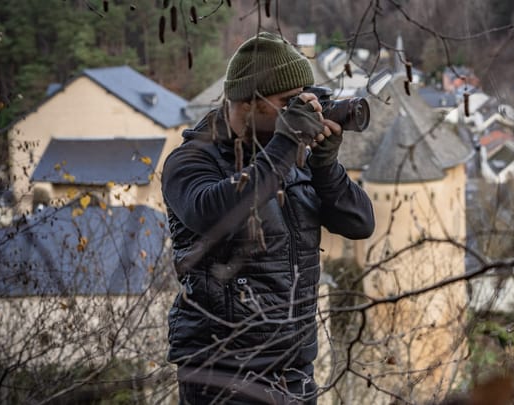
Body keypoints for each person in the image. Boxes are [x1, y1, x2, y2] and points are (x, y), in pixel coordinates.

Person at [161, 32, 375, 404]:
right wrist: (286, 143)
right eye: (290, 102)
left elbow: (360, 223)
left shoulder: (293, 159)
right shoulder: (192, 160)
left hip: (294, 370)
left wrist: (325, 165)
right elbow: (214, 213)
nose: (303, 110)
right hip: (221, 373)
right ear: (247, 102)